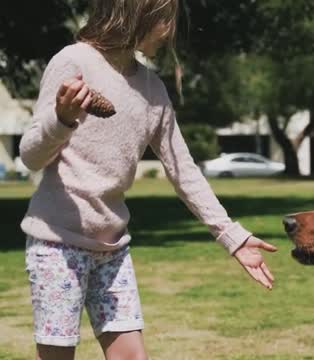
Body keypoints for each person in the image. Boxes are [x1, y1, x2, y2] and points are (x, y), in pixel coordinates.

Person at [19, 0, 277, 359]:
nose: (170, 31)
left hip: (112, 249)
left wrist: (231, 236)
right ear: (137, 11)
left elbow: (184, 171)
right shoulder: (72, 61)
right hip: (58, 246)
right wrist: (61, 119)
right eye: (166, 18)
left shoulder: (152, 88)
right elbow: (30, 155)